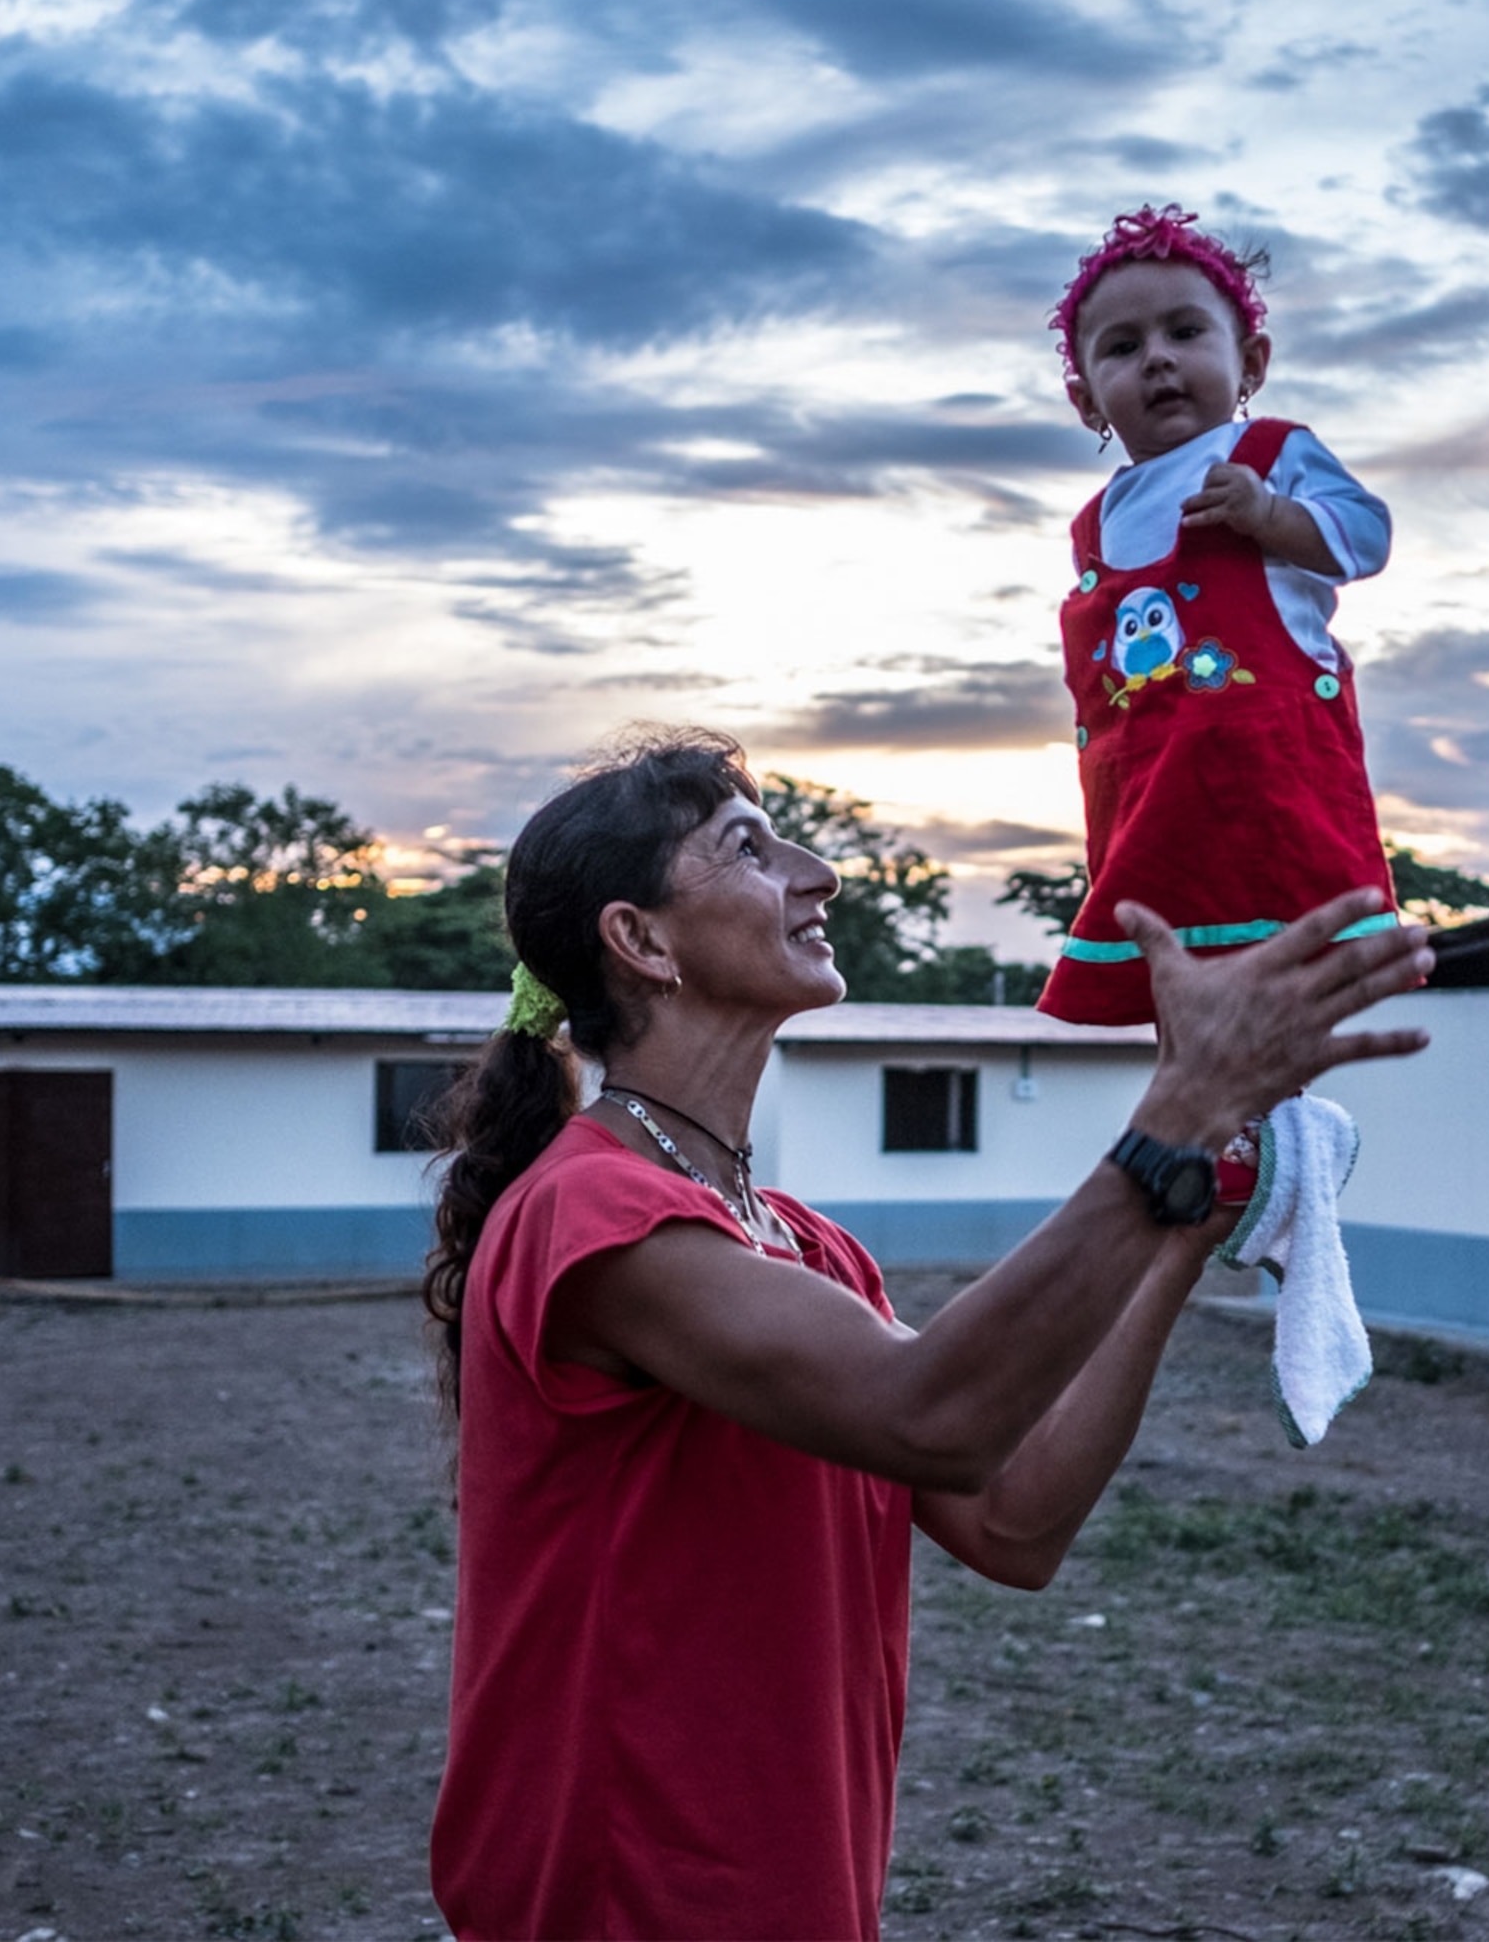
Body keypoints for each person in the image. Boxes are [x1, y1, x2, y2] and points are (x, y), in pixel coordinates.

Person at [420, 727, 1432, 1941]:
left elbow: (1014, 1519)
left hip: (794, 1893)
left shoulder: (805, 1246)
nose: (820, 873)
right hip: (623, 1897)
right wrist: (1171, 1114)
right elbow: (932, 1414)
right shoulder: (588, 1212)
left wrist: (1189, 1208)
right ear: (640, 939)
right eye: (751, 847)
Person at [1038, 203, 1399, 1029]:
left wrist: (1270, 517)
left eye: (1185, 333)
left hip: (1266, 799)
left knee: (1281, 991)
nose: (1158, 358)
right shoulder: (1095, 524)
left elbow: (1368, 535)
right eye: (1123, 348)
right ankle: (1213, 1144)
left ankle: (1278, 1136)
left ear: (1251, 363)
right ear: (1087, 400)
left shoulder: (1267, 454)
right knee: (1181, 994)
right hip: (1152, 814)